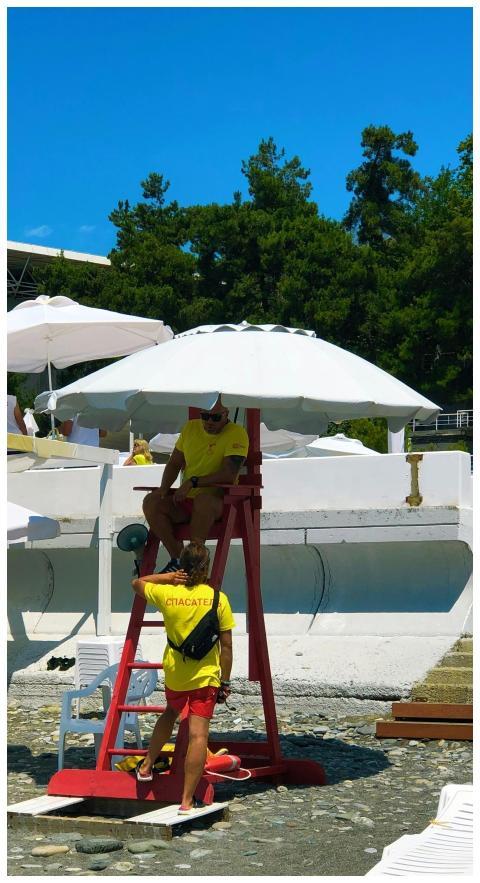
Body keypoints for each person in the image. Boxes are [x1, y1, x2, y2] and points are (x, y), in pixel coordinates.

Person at [132, 541, 234, 812]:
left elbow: (137, 583)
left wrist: (168, 577)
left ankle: (146, 764)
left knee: (169, 713)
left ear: (183, 567)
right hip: (205, 676)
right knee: (199, 736)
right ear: (206, 568)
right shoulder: (217, 598)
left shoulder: (168, 595)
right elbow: (227, 647)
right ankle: (187, 801)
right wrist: (225, 681)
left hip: (176, 673)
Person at [143, 398, 249, 573]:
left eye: (215, 417)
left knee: (203, 500)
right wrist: (163, 489)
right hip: (187, 501)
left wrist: (192, 482)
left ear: (226, 414)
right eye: (205, 416)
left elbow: (229, 475)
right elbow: (174, 463)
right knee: (151, 501)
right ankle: (178, 559)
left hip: (221, 502)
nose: (209, 421)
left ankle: (195, 562)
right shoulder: (190, 428)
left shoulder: (237, 433)